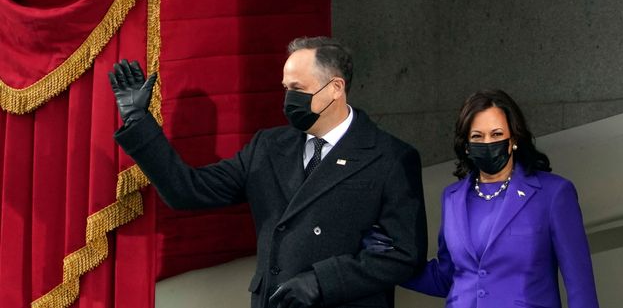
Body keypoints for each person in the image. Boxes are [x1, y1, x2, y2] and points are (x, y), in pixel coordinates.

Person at [108, 36, 427, 308]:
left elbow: (402, 255)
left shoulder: (389, 157)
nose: (289, 98)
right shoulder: (268, 147)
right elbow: (188, 190)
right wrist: (139, 121)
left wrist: (322, 281)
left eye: (298, 88)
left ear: (335, 88)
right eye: (286, 88)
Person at [364, 89, 599, 308]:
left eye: (496, 134)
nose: (487, 143)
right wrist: (385, 256)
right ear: (466, 145)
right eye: (477, 136)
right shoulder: (452, 197)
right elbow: (445, 278)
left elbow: (580, 287)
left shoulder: (553, 194)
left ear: (513, 139)